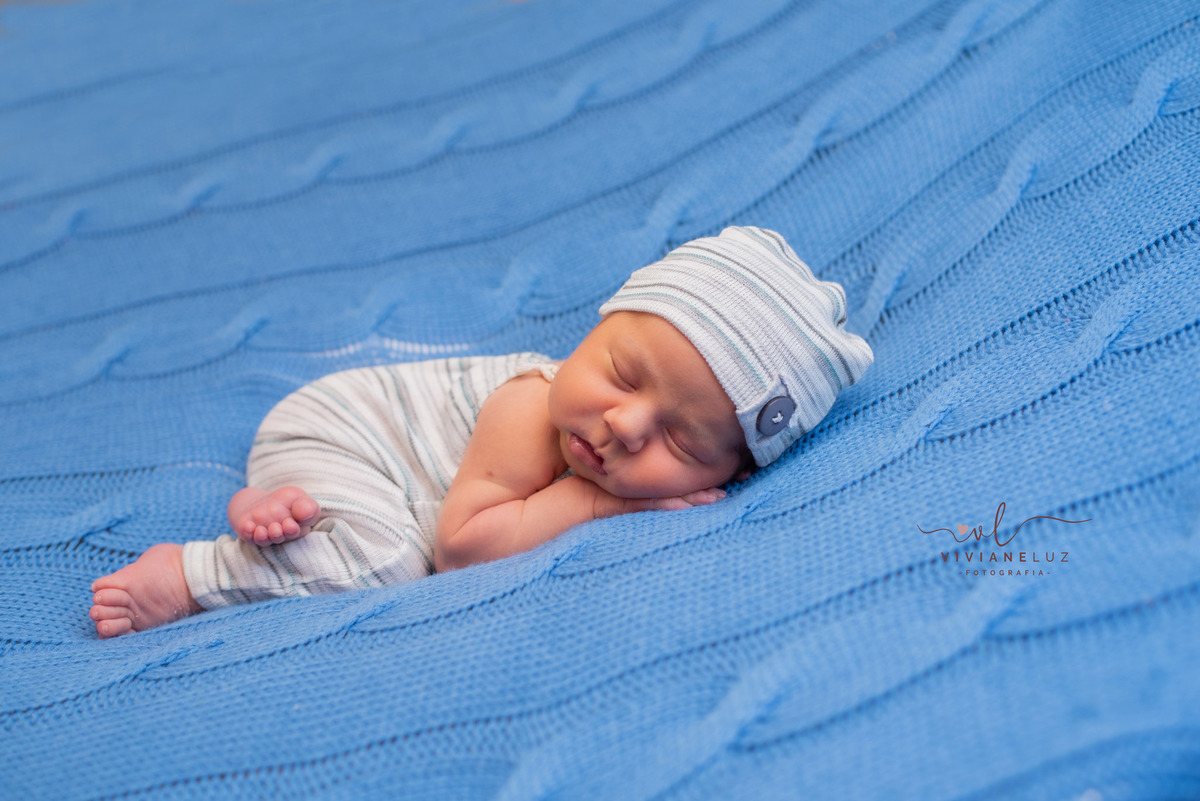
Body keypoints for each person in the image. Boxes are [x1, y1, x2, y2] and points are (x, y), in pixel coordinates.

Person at [88, 226, 874, 638]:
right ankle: (192, 572)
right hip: (347, 431)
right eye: (623, 374)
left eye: (682, 441)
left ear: (730, 473)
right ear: (598, 324)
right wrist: (599, 506)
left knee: (355, 528)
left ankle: (284, 514)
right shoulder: (526, 407)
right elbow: (459, 546)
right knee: (389, 560)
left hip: (369, 474)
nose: (624, 426)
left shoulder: (614, 434)